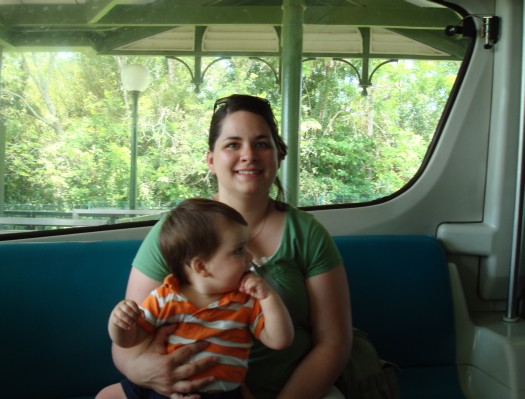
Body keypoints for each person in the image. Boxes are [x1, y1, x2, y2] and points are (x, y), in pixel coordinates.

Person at [109, 94, 352, 399]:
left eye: (262, 143)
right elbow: (128, 341)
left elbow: (334, 342)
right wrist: (150, 375)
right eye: (233, 144)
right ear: (211, 160)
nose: (249, 154)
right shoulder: (176, 231)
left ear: (279, 155)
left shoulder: (306, 233)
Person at [100, 198, 294, 399]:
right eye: (238, 250)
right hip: (166, 387)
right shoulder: (164, 297)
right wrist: (118, 325)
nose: (250, 257)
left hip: (221, 393)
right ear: (201, 267)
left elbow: (280, 340)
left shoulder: (245, 300)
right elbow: (130, 340)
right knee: (106, 396)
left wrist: (268, 296)